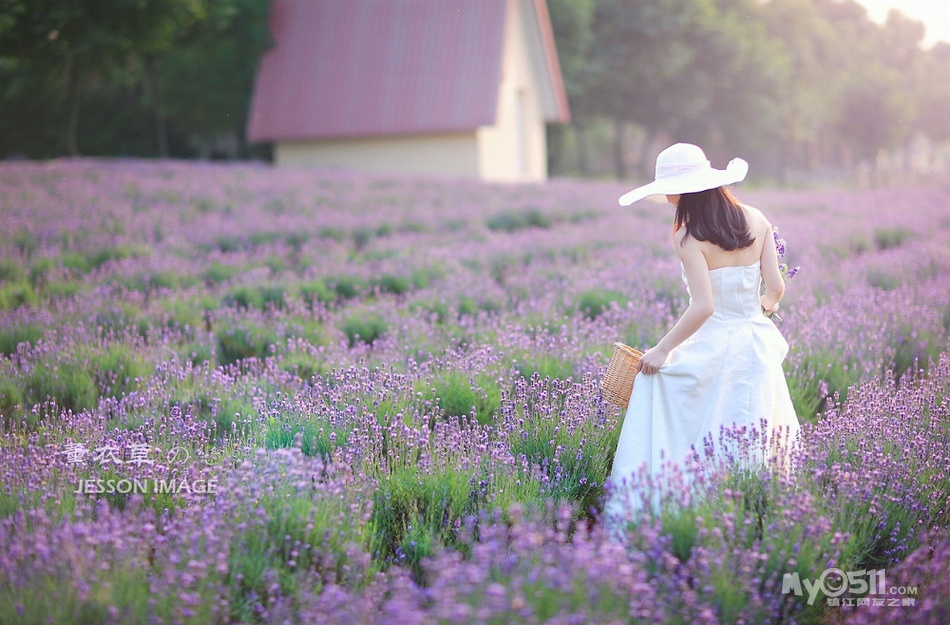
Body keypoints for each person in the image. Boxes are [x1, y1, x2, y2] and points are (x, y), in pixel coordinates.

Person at [604, 142, 801, 523]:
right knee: (755, 430)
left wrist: (661, 350)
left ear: (683, 191)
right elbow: (776, 289)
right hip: (755, 343)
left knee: (670, 403)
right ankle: (759, 514)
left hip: (715, 344)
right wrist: (755, 312)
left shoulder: (688, 237)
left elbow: (704, 306)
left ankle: (689, 510)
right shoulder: (756, 220)